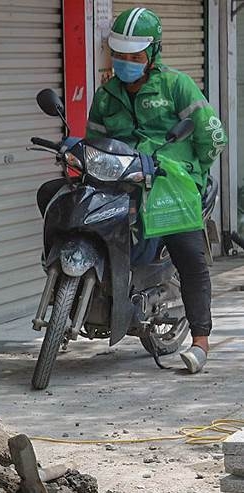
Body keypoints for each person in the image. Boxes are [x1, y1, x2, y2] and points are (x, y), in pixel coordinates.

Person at [87, 6, 227, 374]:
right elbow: (94, 142)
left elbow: (213, 136)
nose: (125, 62)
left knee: (190, 257)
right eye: (119, 55)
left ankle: (200, 342)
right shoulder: (106, 95)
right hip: (124, 185)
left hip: (170, 187)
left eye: (134, 56)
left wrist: (192, 173)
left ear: (152, 54)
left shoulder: (176, 85)